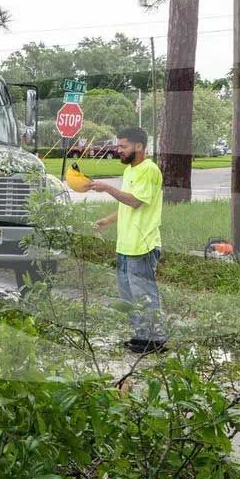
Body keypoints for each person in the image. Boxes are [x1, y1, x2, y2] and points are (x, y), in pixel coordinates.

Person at [88, 127, 166, 353]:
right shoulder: (130, 171)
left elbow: (136, 202)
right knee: (129, 296)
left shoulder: (149, 170)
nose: (118, 150)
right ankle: (141, 338)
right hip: (125, 245)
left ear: (139, 146)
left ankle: (155, 340)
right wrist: (107, 220)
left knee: (144, 295)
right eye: (118, 146)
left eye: (123, 146)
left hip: (142, 245)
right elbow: (126, 205)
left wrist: (107, 188)